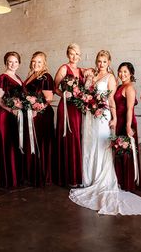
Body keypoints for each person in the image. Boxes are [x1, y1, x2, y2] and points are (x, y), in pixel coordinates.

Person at [69, 50, 141, 215]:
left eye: (104, 61)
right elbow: (85, 87)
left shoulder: (111, 78)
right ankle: (88, 178)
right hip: (89, 116)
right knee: (89, 145)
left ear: (109, 62)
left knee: (102, 146)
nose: (101, 64)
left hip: (102, 116)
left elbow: (111, 100)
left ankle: (101, 179)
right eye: (99, 61)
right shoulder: (91, 76)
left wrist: (114, 118)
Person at [54, 43, 84, 187]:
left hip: (77, 108)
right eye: (72, 53)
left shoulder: (81, 71)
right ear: (68, 54)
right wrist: (64, 94)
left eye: (77, 54)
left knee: (76, 138)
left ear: (80, 55)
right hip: (65, 107)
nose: (74, 56)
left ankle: (76, 175)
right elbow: (55, 88)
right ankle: (66, 177)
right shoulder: (63, 68)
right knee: (68, 138)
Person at [23, 51, 54, 186]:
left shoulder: (45, 77)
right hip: (31, 113)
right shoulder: (31, 75)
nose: (36, 64)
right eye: (34, 61)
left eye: (39, 62)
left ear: (44, 63)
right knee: (31, 142)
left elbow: (49, 99)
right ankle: (30, 172)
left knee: (39, 143)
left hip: (42, 115)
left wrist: (37, 108)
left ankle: (41, 175)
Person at [0, 51, 23, 188]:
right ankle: (6, 178)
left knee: (14, 144)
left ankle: (15, 176)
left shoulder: (17, 77)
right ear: (6, 62)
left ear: (19, 63)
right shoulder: (2, 77)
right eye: (10, 61)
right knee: (7, 145)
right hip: (6, 116)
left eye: (15, 61)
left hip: (16, 115)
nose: (13, 64)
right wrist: (11, 109)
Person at [114, 62, 141, 192]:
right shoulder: (120, 86)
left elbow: (130, 108)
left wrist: (128, 126)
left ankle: (128, 183)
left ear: (131, 74)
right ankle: (120, 179)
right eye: (120, 71)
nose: (122, 74)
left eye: (125, 72)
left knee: (127, 153)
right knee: (119, 152)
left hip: (127, 122)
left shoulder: (129, 87)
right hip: (119, 122)